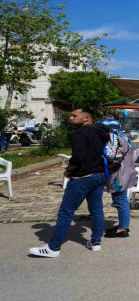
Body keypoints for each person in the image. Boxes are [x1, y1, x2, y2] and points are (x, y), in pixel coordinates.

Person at [29, 108, 111, 257]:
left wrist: (68, 170)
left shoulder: (79, 134)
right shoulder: (102, 132)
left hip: (83, 177)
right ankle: (95, 242)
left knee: (66, 212)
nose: (71, 118)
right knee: (97, 210)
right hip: (100, 174)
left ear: (86, 118)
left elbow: (78, 157)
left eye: (74, 115)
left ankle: (53, 248)